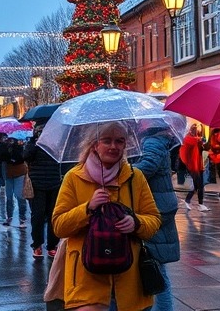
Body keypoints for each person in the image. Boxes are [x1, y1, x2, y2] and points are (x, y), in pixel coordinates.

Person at [52, 121, 162, 311]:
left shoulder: (135, 177)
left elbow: (154, 219)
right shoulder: (74, 177)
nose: (113, 146)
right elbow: (59, 225)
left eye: (119, 141)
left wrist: (136, 222)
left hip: (130, 281)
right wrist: (87, 208)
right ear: (95, 144)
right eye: (107, 140)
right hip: (87, 282)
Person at [132, 123, 181, 311]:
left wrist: (123, 170)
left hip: (156, 205)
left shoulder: (153, 142)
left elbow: (146, 168)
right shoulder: (157, 141)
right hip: (160, 203)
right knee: (156, 266)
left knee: (155, 267)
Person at [23, 121, 62, 258]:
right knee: (37, 216)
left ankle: (52, 245)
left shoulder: (56, 143)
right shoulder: (32, 144)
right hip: (37, 184)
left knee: (53, 215)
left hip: (54, 183)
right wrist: (35, 143)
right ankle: (37, 244)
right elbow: (26, 156)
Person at [180, 123, 209, 211]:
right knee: (199, 184)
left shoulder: (196, 140)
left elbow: (201, 147)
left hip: (198, 165)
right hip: (192, 166)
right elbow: (193, 141)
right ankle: (200, 204)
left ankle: (187, 201)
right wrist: (200, 140)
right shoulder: (188, 139)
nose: (197, 132)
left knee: (197, 186)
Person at [2, 136, 29, 227]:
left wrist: (16, 149)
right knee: (9, 196)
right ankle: (9, 216)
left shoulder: (21, 146)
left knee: (19, 195)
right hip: (8, 173)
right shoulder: (4, 145)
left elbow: (22, 158)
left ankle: (22, 217)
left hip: (19, 173)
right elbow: (2, 157)